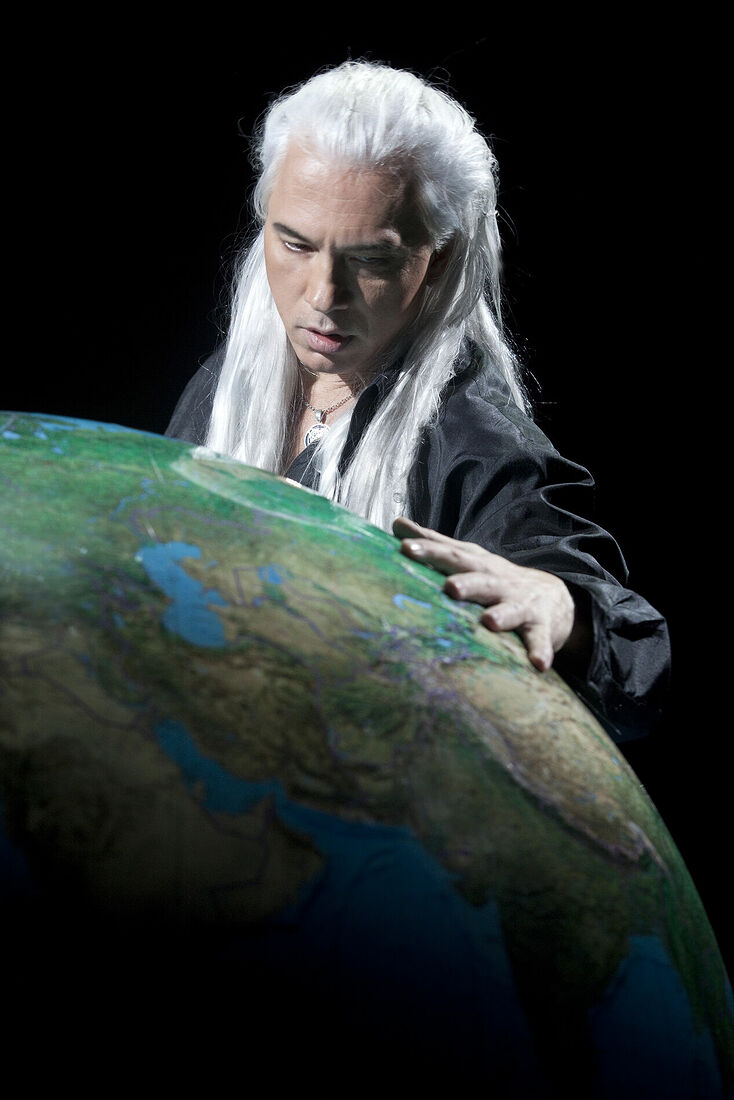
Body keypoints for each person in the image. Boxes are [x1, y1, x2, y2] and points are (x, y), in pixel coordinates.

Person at [166, 60, 670, 743]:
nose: (322, 294)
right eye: (296, 243)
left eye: (371, 260)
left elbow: (636, 653)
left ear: (440, 257)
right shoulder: (234, 382)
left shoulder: (476, 443)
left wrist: (562, 607)